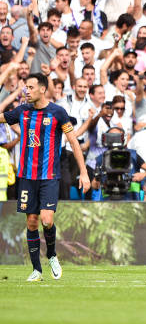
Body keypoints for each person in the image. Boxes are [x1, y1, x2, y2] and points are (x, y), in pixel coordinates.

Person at [0, 73, 90, 282]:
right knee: (32, 222)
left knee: (47, 220)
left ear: (42, 89)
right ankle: (37, 270)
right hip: (26, 177)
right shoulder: (22, 111)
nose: (26, 91)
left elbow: (74, 142)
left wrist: (84, 172)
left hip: (49, 176)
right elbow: (2, 117)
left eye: (30, 87)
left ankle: (51, 255)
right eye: (25, 88)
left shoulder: (57, 113)